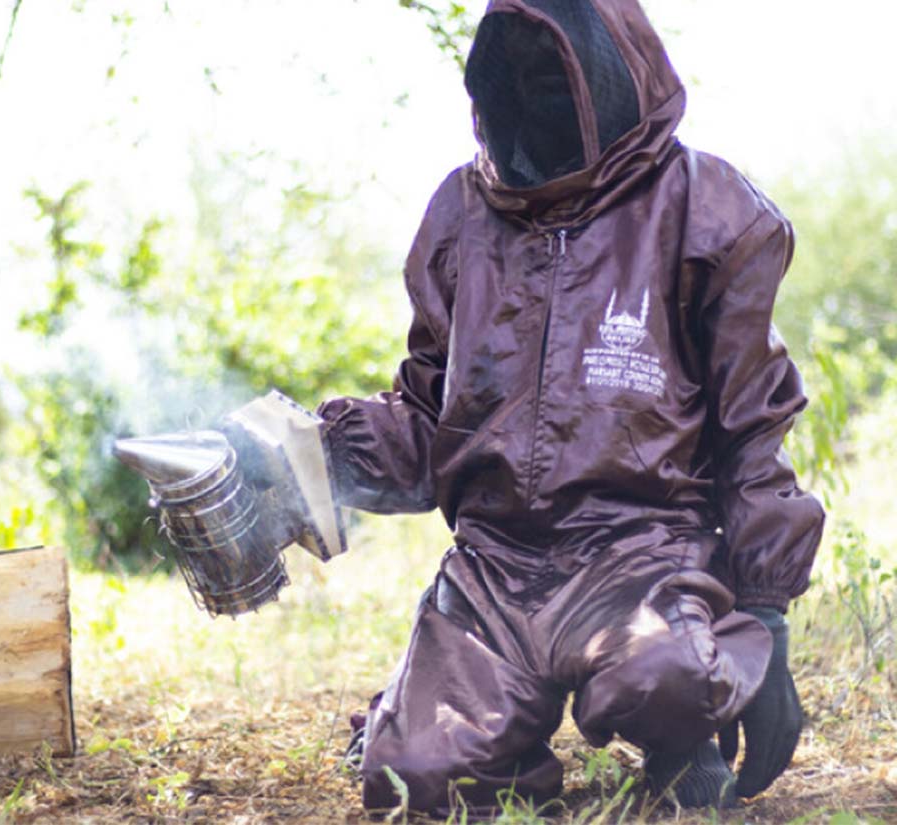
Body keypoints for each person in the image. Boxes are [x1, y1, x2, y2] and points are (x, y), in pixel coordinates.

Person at [315, 0, 824, 815]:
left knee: (673, 678)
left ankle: (677, 742)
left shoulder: (707, 208)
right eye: (521, 78)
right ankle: (412, 717)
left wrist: (768, 610)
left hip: (642, 551)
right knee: (414, 779)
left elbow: (752, 424)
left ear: (615, 70)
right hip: (492, 569)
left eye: (560, 76)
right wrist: (308, 452)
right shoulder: (461, 215)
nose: (540, 97)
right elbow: (423, 421)